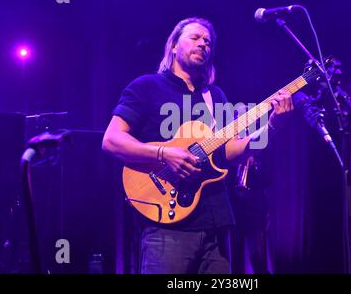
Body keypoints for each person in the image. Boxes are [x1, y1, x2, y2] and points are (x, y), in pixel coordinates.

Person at [102, 17, 293, 274]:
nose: (203, 44)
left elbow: (231, 152)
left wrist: (273, 126)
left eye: (208, 42)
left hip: (216, 224)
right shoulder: (146, 87)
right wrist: (163, 153)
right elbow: (112, 140)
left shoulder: (215, 96)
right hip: (167, 229)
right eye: (195, 38)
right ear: (173, 45)